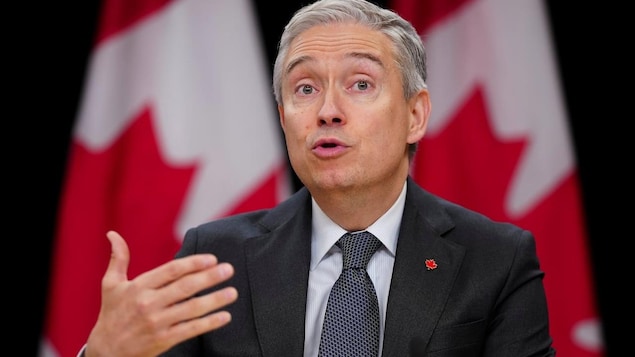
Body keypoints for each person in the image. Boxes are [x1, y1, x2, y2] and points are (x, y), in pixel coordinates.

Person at [81, 0, 556, 356]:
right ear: (284, 119)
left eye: (361, 84)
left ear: (415, 115)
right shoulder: (215, 257)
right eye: (305, 89)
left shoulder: (496, 261)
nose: (328, 111)